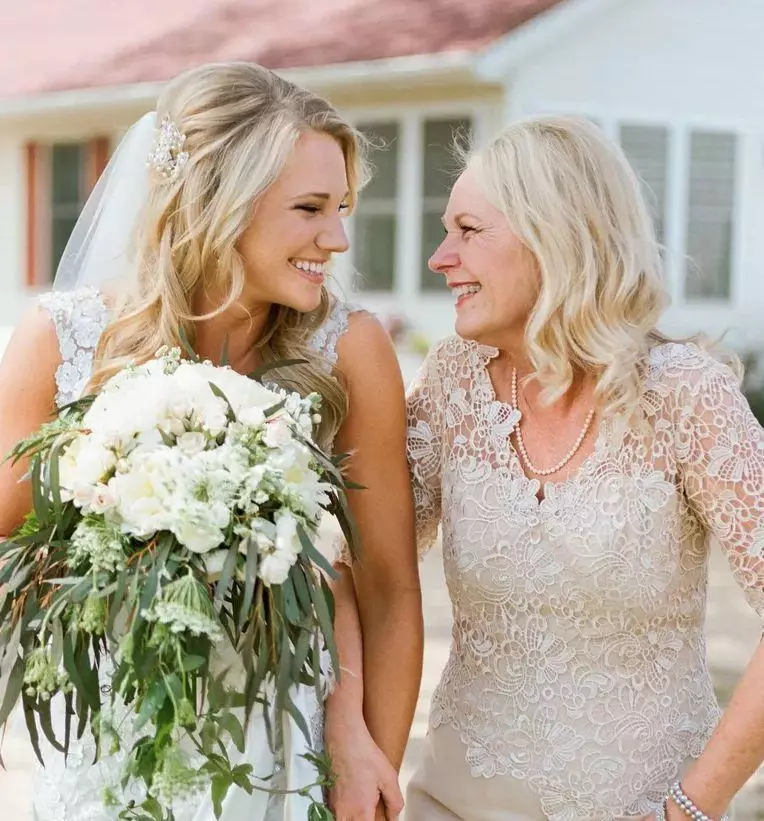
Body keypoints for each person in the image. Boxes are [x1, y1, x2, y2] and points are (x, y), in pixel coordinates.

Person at [0, 62, 422, 821]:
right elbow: (9, 552)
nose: (336, 237)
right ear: (221, 206)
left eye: (343, 207)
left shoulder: (349, 351)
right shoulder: (60, 341)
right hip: (114, 736)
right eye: (310, 208)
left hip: (288, 742)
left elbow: (390, 589)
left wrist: (368, 755)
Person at [403, 115, 764, 821]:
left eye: (469, 230)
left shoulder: (686, 395)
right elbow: (357, 570)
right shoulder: (451, 383)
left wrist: (692, 806)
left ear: (553, 237)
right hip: (449, 799)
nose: (439, 257)